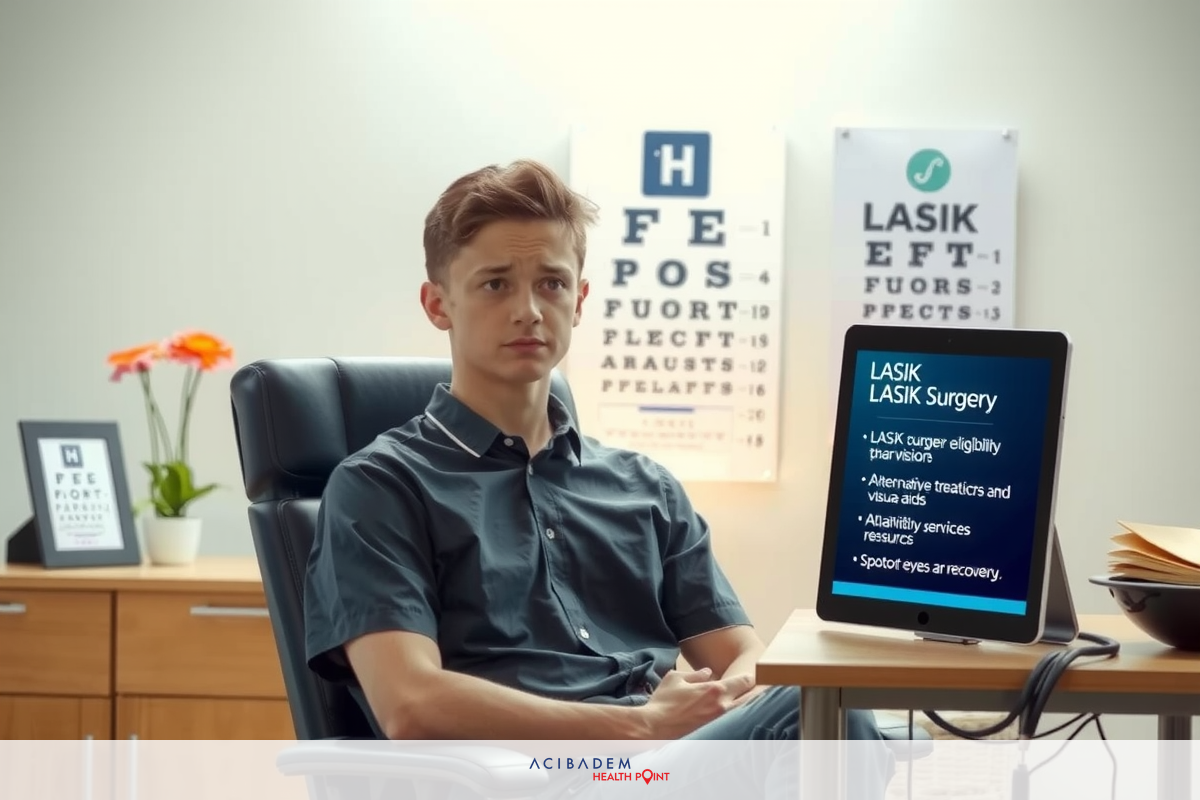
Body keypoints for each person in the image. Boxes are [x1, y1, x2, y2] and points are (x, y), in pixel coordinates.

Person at [303, 160, 895, 797]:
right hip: (532, 780)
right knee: (818, 720)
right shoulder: (381, 487)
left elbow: (743, 656)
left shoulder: (644, 486)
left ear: (580, 300)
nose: (529, 310)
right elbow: (410, 705)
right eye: (495, 284)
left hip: (674, 764)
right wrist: (639, 728)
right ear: (437, 304)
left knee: (830, 710)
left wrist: (719, 699)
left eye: (552, 284)